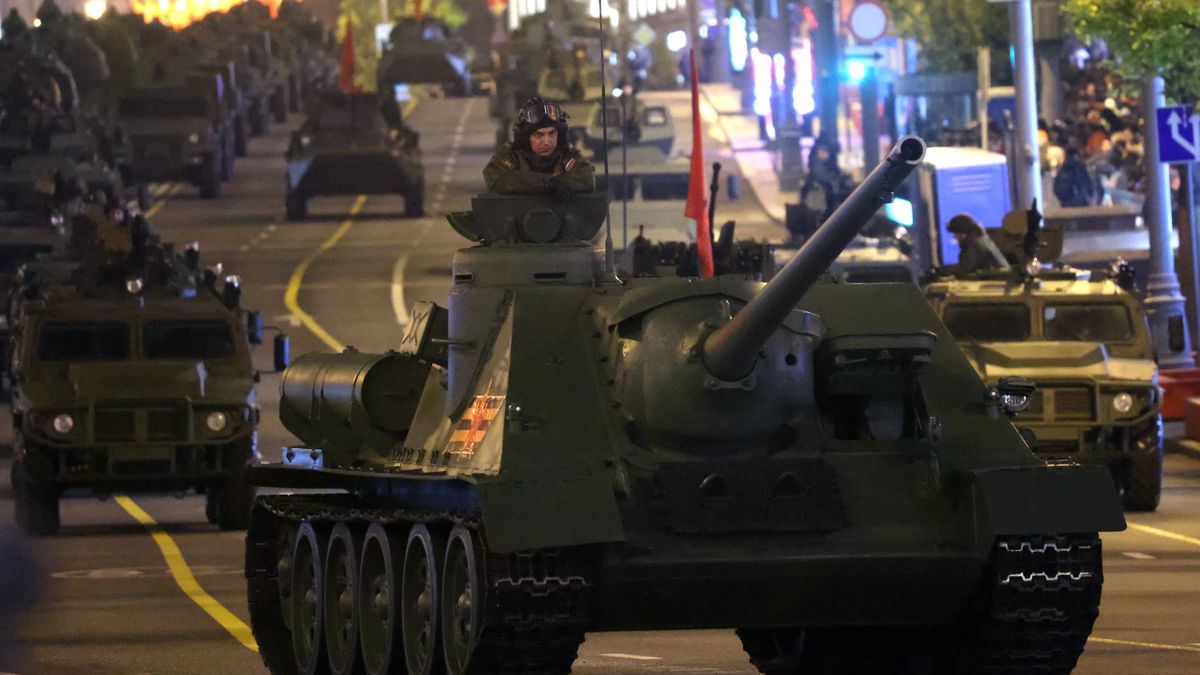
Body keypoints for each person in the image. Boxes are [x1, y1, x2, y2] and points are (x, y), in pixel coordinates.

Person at [483, 97, 594, 197]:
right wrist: (549, 183)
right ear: (526, 138)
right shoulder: (511, 155)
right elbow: (497, 179)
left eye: (552, 134)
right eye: (538, 135)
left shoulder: (568, 155)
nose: (546, 142)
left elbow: (586, 178)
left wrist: (560, 184)